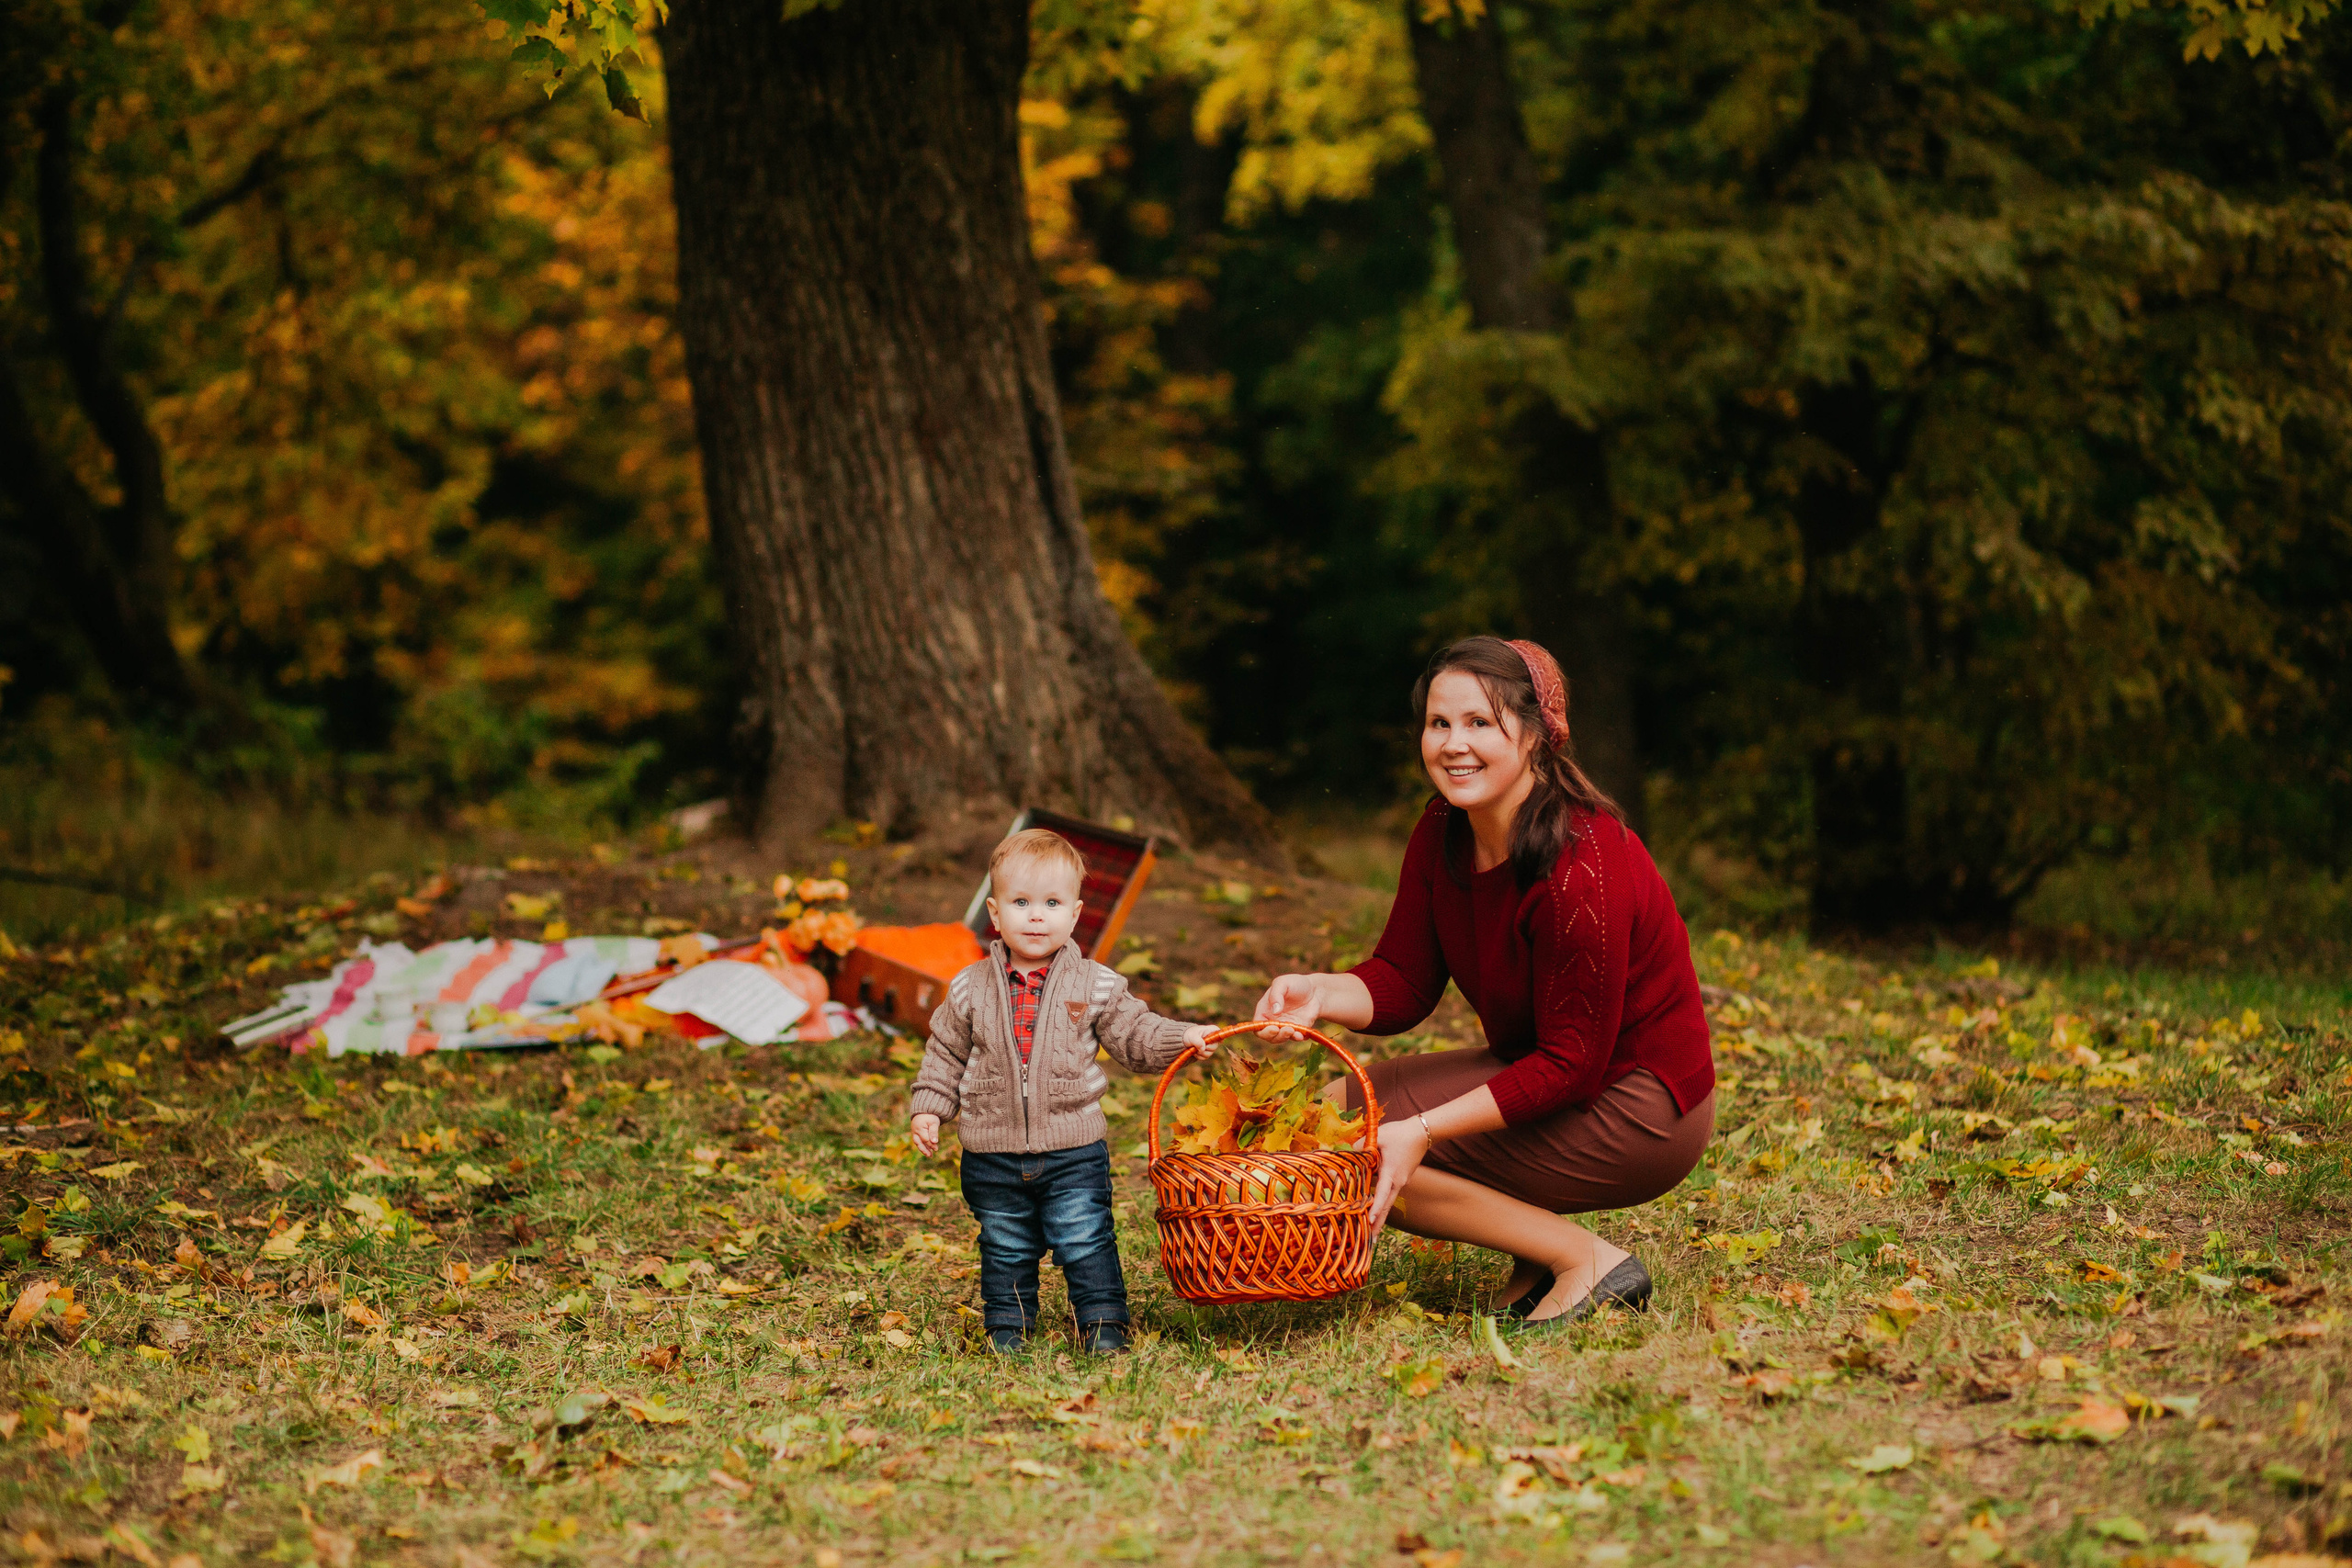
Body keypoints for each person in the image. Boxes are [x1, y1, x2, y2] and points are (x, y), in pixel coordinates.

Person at [1252, 637, 1715, 1325]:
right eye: (1439, 723)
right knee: (1329, 1116)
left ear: (1535, 734)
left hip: (1641, 1107)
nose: (1453, 744)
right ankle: (1534, 1257)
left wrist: (1425, 1129)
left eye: (1479, 722)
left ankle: (1584, 1260)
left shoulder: (1580, 865)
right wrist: (1322, 991)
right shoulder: (1445, 826)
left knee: (1366, 1142)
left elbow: (1572, 1067)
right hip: (1546, 1072)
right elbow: (1404, 979)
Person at [910, 828, 1216, 1353]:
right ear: (995, 912)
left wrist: (1181, 1037)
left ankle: (1102, 1324)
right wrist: (930, 1108)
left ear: (1074, 915)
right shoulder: (969, 987)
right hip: (991, 1151)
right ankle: (1008, 1328)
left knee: (1085, 1238)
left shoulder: (1094, 984)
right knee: (1005, 1244)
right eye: (1021, 902)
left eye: (1051, 903)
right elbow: (945, 1051)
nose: (1035, 916)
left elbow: (1133, 1033)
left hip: (1073, 1149)